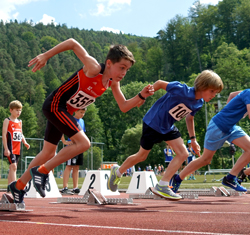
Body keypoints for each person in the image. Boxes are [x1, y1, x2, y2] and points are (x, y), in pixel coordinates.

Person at [8, 38, 154, 204]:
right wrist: (46, 55)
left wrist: (141, 96)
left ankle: (18, 186)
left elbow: (124, 106)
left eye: (127, 70)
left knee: (48, 152)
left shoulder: (112, 83)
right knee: (84, 143)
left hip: (64, 112)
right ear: (109, 63)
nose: (123, 73)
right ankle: (42, 171)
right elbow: (72, 43)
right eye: (121, 67)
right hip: (55, 105)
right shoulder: (93, 68)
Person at [108, 70, 224, 200]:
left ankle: (162, 185)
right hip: (153, 122)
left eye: (216, 93)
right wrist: (142, 97)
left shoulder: (199, 103)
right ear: (203, 86)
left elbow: (189, 119)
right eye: (212, 91)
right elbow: (159, 83)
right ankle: (117, 172)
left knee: (183, 153)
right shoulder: (182, 90)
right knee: (141, 156)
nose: (214, 95)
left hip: (168, 127)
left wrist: (193, 140)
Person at [170, 77, 250, 193]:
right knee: (205, 159)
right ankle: (177, 178)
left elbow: (231, 95)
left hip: (230, 127)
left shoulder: (249, 93)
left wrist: (231, 110)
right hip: (218, 126)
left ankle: (230, 178)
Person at [2, 100, 30, 190]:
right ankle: (15, 188)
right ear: (11, 110)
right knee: (13, 166)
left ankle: (10, 187)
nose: (19, 112)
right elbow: (4, 135)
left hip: (17, 148)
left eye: (20, 110)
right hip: (10, 148)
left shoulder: (20, 121)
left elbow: (21, 133)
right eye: (17, 110)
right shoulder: (7, 121)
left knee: (13, 167)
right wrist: (6, 148)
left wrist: (25, 142)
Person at [60, 108, 86, 194]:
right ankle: (65, 187)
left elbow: (83, 133)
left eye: (83, 113)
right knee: (69, 166)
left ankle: (75, 187)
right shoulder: (71, 119)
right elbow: (61, 129)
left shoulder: (82, 121)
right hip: (72, 146)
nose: (82, 114)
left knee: (76, 167)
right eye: (81, 112)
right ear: (76, 111)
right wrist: (64, 141)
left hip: (80, 146)